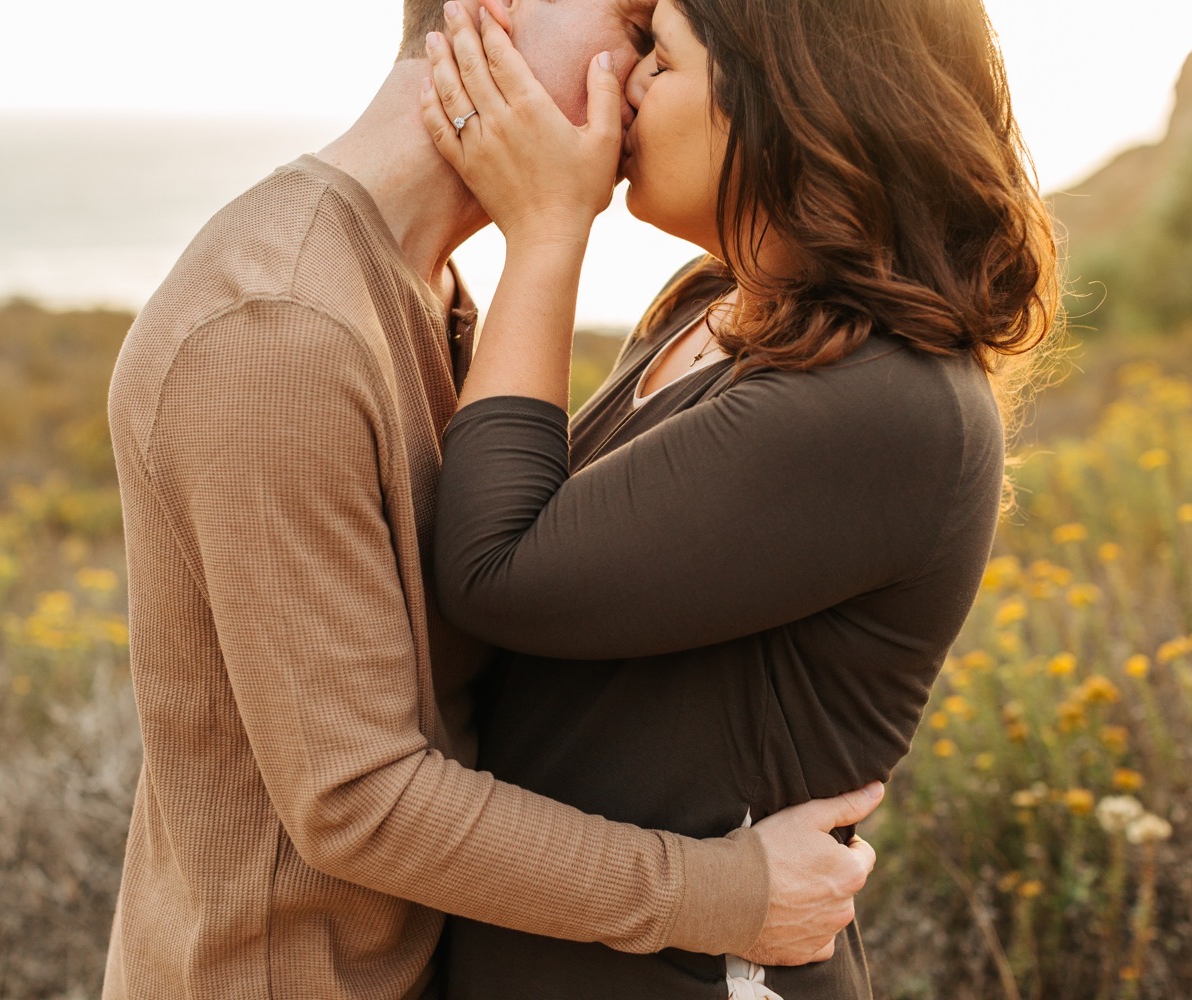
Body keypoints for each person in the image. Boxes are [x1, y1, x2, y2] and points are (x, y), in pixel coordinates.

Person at [99, 0, 888, 996]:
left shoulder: (424, 287)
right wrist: (725, 893)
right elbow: (357, 800)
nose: (650, 74)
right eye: (638, 26)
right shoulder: (280, 328)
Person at [417, 0, 1059, 996]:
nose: (623, 80)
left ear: (788, 103)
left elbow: (497, 571)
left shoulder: (889, 403)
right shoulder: (709, 309)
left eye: (659, 60)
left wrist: (544, 232)